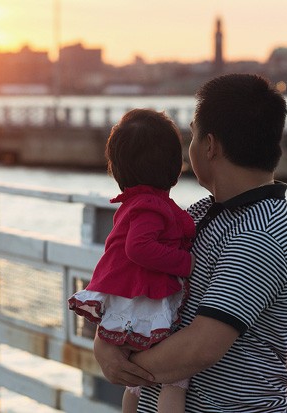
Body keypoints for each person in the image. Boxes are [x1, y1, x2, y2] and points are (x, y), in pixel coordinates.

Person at [93, 73, 287, 412]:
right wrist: (105, 344)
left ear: (210, 145)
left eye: (192, 134)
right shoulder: (203, 212)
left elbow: (202, 346)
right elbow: (138, 281)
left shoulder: (263, 231)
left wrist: (124, 362)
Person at [68, 108, 196, 413]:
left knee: (135, 381)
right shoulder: (151, 206)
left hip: (134, 298)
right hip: (145, 299)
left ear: (117, 170)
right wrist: (186, 263)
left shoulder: (136, 204)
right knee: (177, 379)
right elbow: (139, 248)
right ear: (176, 168)